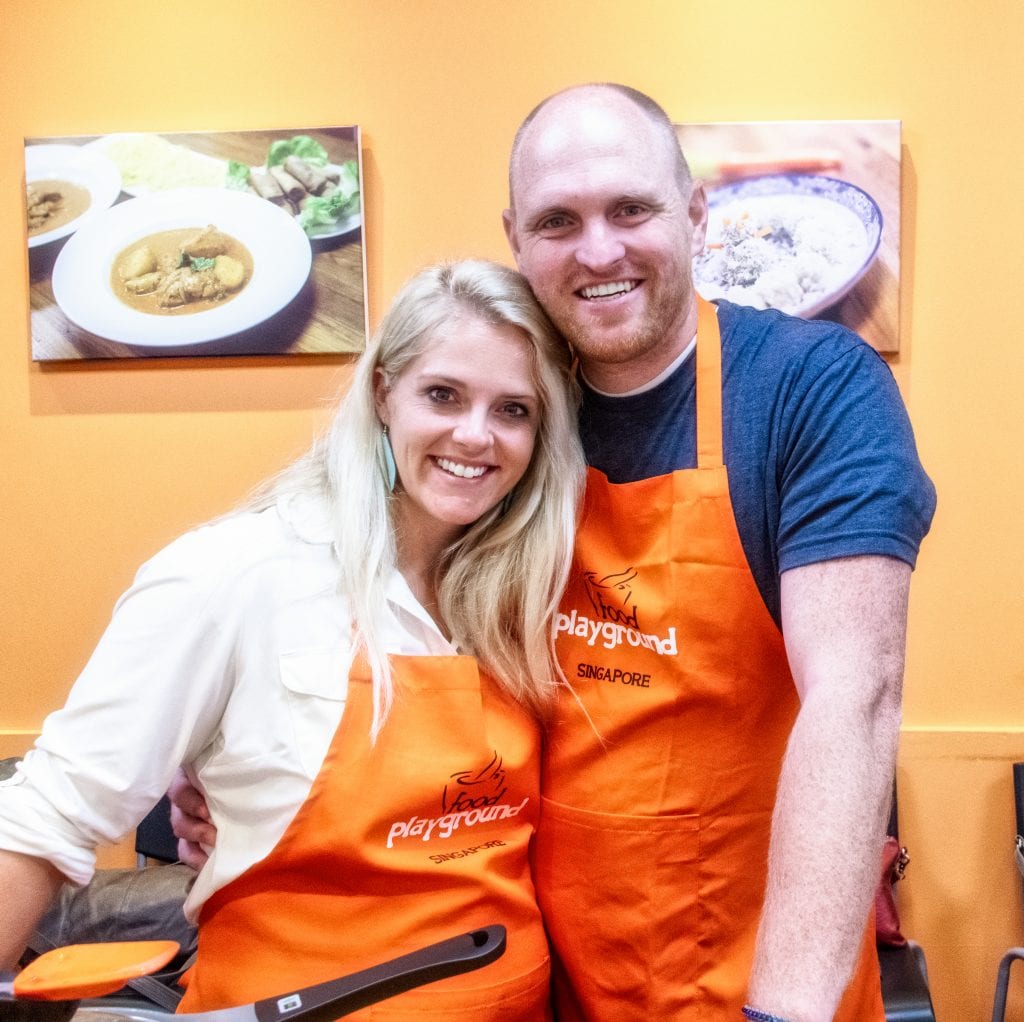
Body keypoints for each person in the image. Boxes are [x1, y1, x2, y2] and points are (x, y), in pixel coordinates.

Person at [176, 83, 935, 1021]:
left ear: (695, 214)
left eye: (631, 209)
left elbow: (853, 700)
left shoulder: (808, 390)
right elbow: (383, 604)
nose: (599, 249)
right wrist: (225, 752)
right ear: (517, 239)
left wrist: (783, 1014)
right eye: (558, 221)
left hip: (757, 970)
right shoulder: (508, 421)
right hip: (546, 972)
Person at [0, 258, 587, 1021]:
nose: (475, 436)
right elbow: (52, 812)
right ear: (383, 393)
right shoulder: (239, 574)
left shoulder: (525, 590)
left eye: (514, 410)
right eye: (442, 395)